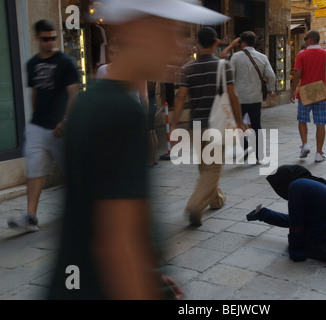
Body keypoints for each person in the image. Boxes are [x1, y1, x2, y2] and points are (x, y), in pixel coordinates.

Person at [47, 0, 229, 300]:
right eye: (171, 31)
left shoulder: (92, 100)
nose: (180, 44)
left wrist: (150, 273)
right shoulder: (119, 112)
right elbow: (118, 245)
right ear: (138, 29)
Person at [7, 20, 80, 232]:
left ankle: (85, 208)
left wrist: (65, 121)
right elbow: (34, 93)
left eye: (53, 38)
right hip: (37, 127)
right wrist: (35, 118)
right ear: (37, 38)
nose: (50, 42)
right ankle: (31, 217)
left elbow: (74, 93)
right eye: (46, 39)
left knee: (72, 171)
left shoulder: (65, 62)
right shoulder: (31, 64)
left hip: (60, 128)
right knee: (34, 170)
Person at [172, 27, 245, 227]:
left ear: (197, 44)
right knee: (212, 169)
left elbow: (180, 99)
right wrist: (239, 122)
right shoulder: (224, 66)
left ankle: (216, 199)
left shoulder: (187, 69)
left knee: (205, 167)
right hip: (217, 125)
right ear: (215, 43)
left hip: (195, 126)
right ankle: (195, 206)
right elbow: (233, 96)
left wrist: (175, 126)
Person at [246, 165, 326, 266]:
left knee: (310, 245)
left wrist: (295, 251)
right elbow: (297, 221)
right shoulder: (306, 183)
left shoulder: (295, 188)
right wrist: (264, 214)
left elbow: (296, 227)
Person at [290, 30, 326, 163]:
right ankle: (318, 153)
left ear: (310, 40)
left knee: (302, 120)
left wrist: (292, 90)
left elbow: (297, 75)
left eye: (305, 39)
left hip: (305, 92)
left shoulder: (302, 55)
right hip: (321, 92)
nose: (305, 41)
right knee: (320, 123)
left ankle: (305, 144)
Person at [229, 31, 276, 163]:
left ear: (242, 42)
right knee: (256, 125)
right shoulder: (262, 57)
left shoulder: (236, 57)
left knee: (239, 123)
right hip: (256, 97)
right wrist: (270, 90)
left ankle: (244, 146)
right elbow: (271, 76)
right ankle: (259, 156)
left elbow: (230, 77)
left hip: (239, 97)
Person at [147, 82, 159, 167]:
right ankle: (153, 158)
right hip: (152, 102)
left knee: (150, 132)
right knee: (152, 131)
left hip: (149, 103)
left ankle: (151, 159)